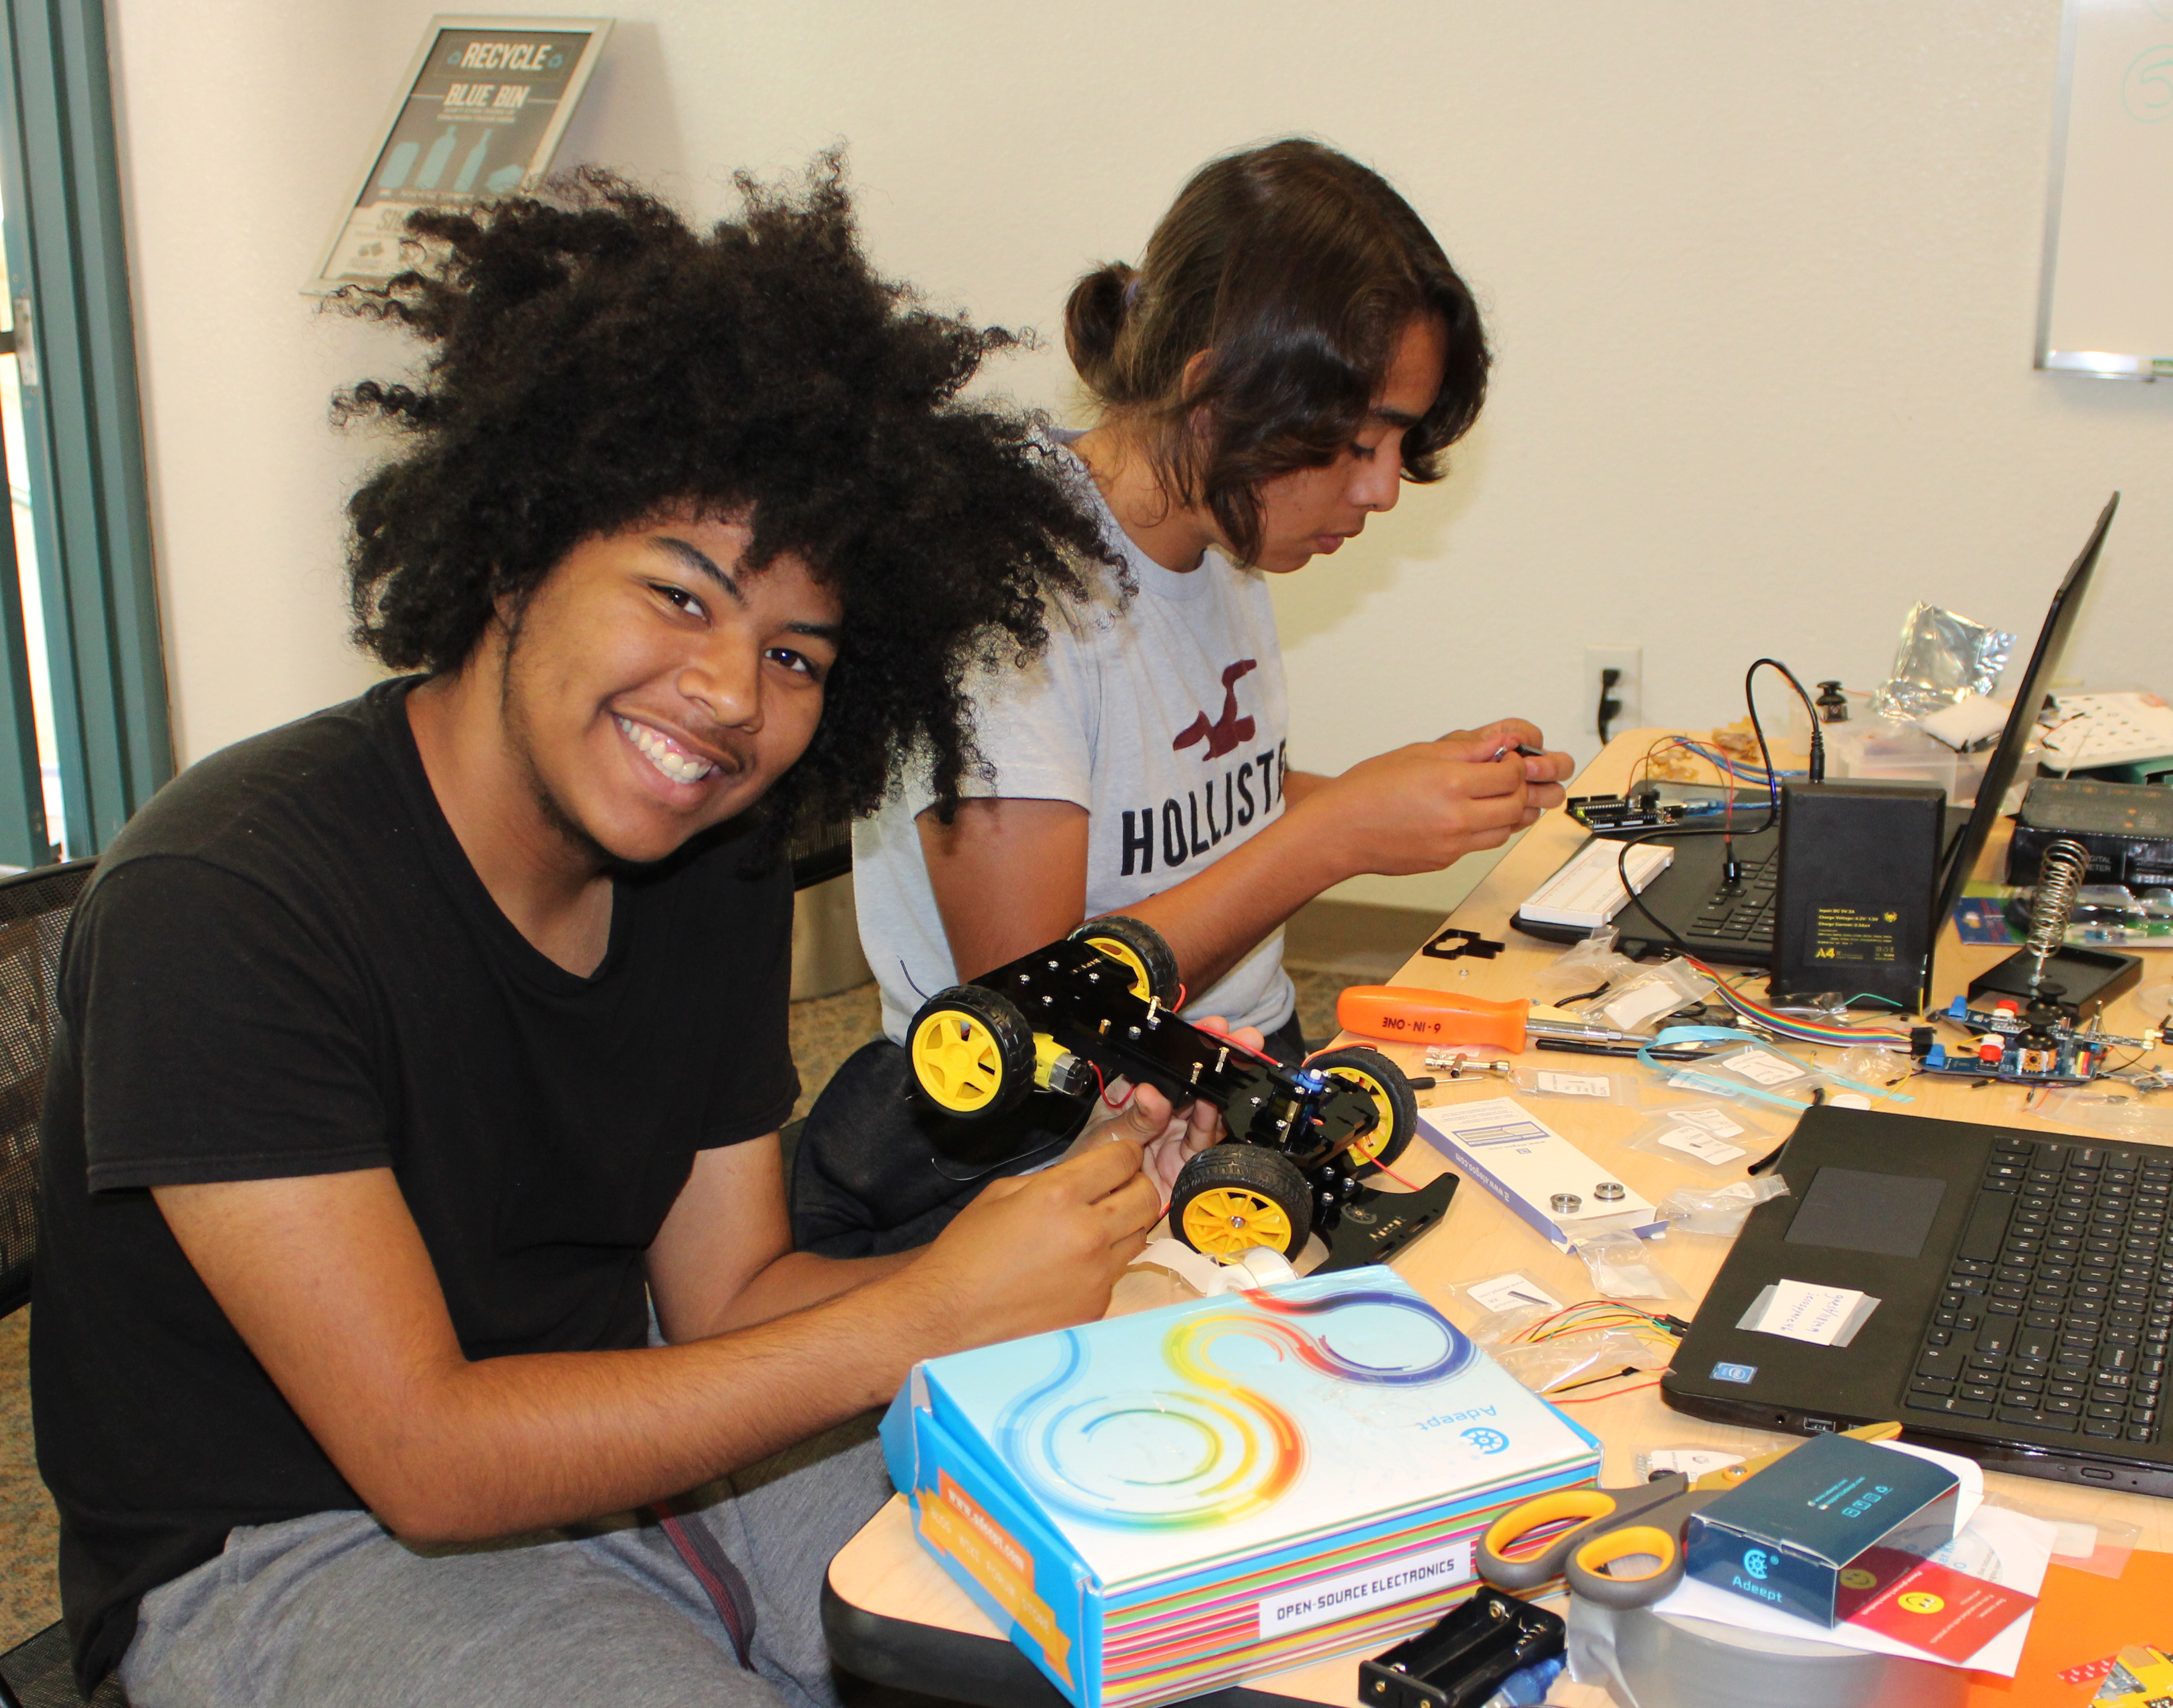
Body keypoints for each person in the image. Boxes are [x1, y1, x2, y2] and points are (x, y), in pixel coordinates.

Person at [30, 163, 1248, 1708]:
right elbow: (427, 1458)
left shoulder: (705, 860)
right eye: (679, 596)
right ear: (515, 555)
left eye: (794, 651)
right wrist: (935, 1316)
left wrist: (1051, 1245)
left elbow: (731, 1300)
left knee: (1179, 1593)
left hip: (635, 1445)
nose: (734, 697)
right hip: (296, 1548)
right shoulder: (228, 904)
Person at [794, 139, 1573, 1257]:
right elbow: (1039, 994)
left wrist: (1398, 799)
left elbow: (1199, 794)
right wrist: (1338, 833)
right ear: (1213, 396)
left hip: (1226, 1054)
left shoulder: (1222, 528)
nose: (1386, 487)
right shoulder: (1007, 591)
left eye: (1402, 442)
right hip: (1049, 1129)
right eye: (1358, 442)